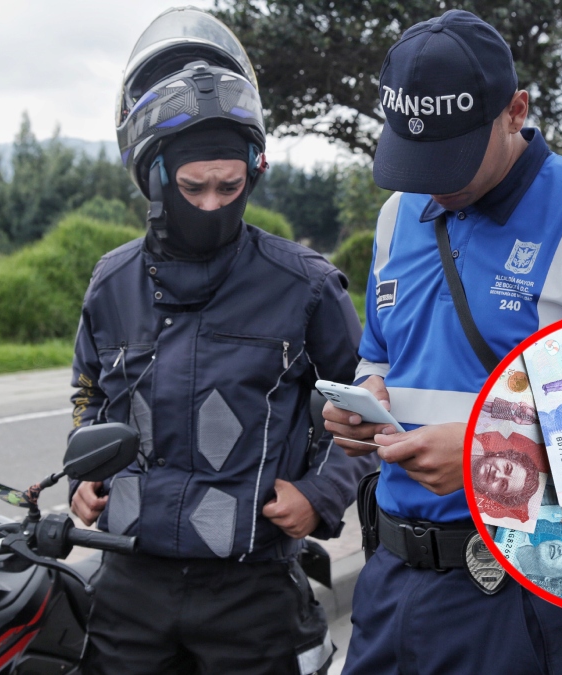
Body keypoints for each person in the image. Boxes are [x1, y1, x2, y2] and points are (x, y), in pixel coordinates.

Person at [325, 9, 562, 674]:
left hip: (534, 594)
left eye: (454, 155)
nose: (434, 179)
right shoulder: (396, 214)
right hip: (394, 583)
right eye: (416, 154)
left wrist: (489, 453)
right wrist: (363, 396)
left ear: (516, 110)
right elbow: (382, 352)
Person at [67, 9, 368, 674]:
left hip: (252, 590)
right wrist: (85, 477)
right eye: (192, 186)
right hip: (128, 586)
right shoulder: (111, 282)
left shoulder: (308, 286)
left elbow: (369, 412)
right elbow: (89, 393)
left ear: (253, 173)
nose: (211, 204)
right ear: (152, 179)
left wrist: (320, 495)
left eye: (229, 186)